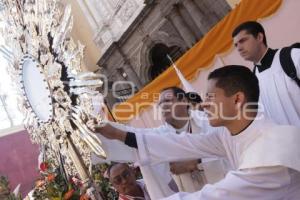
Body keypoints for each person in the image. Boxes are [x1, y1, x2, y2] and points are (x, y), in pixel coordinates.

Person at [89, 65, 300, 199]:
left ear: (237, 99)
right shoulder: (228, 134)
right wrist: (116, 133)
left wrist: (196, 162)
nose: (204, 105)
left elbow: (216, 196)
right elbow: (181, 144)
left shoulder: (272, 153)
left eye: (210, 97)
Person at [232, 21, 300, 126]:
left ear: (259, 37)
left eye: (243, 41)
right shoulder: (252, 82)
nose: (239, 48)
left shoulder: (291, 57)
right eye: (236, 45)